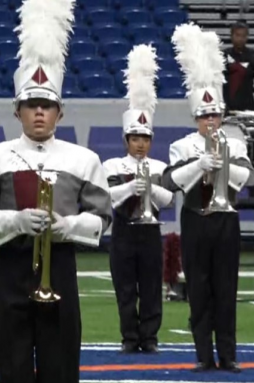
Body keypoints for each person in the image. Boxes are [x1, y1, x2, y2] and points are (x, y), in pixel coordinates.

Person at [0, 0, 112, 381]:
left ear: (60, 112)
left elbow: (102, 218)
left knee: (61, 365)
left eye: (47, 105)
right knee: (11, 366)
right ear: (17, 111)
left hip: (60, 268)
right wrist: (14, 220)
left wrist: (68, 227)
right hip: (10, 268)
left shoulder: (84, 159)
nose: (40, 113)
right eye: (32, 105)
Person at [163, 22, 254, 373]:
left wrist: (224, 164)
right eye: (204, 116)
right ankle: (203, 353)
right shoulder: (182, 145)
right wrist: (200, 163)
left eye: (215, 114)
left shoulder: (235, 142)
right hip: (196, 219)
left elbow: (250, 178)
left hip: (226, 219)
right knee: (199, 290)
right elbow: (171, 180)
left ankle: (229, 354)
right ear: (196, 117)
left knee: (226, 287)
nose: (210, 121)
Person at [102, 44, 173, 354]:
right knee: (125, 288)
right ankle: (130, 338)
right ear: (126, 140)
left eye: (145, 138)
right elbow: (108, 197)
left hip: (150, 232)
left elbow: (169, 199)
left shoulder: (159, 167)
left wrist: (150, 189)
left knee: (151, 289)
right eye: (135, 138)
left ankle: (151, 337)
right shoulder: (113, 166)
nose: (140, 143)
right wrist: (134, 187)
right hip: (124, 232)